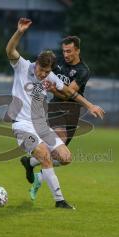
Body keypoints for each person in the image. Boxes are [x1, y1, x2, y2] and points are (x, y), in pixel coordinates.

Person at [6, 18, 104, 209]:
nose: (43, 75)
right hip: (21, 125)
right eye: (41, 70)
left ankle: (30, 163)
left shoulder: (50, 76)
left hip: (41, 126)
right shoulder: (22, 67)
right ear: (36, 64)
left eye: (47, 71)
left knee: (66, 158)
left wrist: (90, 105)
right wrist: (19, 32)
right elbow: (10, 50)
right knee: (44, 154)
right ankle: (59, 201)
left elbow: (70, 93)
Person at [20, 36, 93, 200]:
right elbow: (41, 68)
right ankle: (57, 196)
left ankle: (33, 165)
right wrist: (48, 88)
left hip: (72, 111)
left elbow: (69, 94)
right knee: (60, 139)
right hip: (55, 108)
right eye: (64, 51)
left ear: (77, 50)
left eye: (69, 51)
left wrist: (53, 89)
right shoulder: (56, 62)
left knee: (63, 156)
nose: (65, 54)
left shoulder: (83, 71)